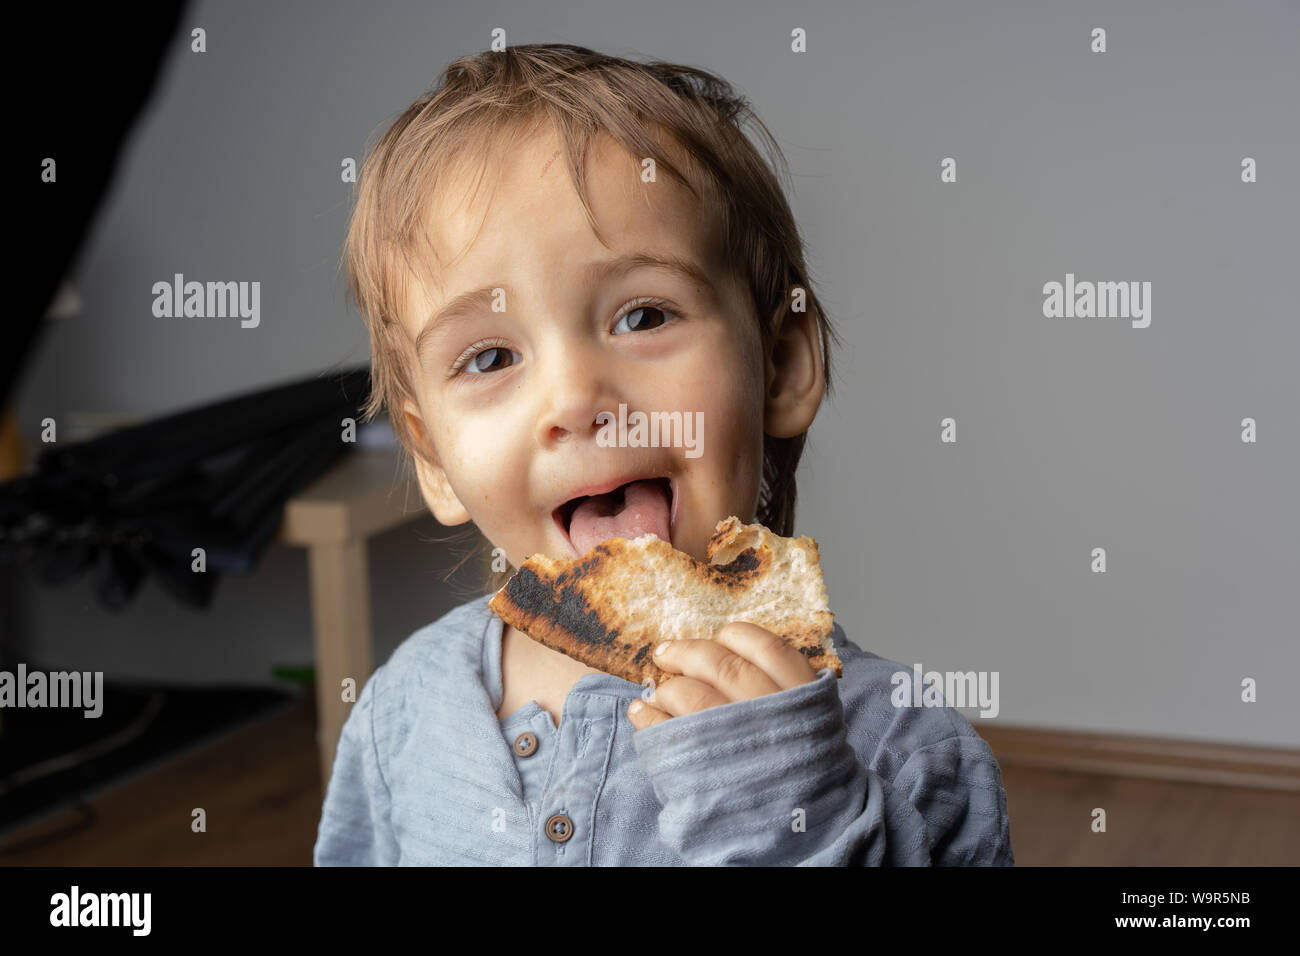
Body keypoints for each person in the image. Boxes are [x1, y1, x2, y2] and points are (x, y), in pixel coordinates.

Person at [314, 43, 1013, 865]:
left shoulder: (903, 749)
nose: (575, 400)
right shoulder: (401, 709)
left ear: (781, 366)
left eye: (642, 317)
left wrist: (791, 806)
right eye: (491, 358)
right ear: (433, 459)